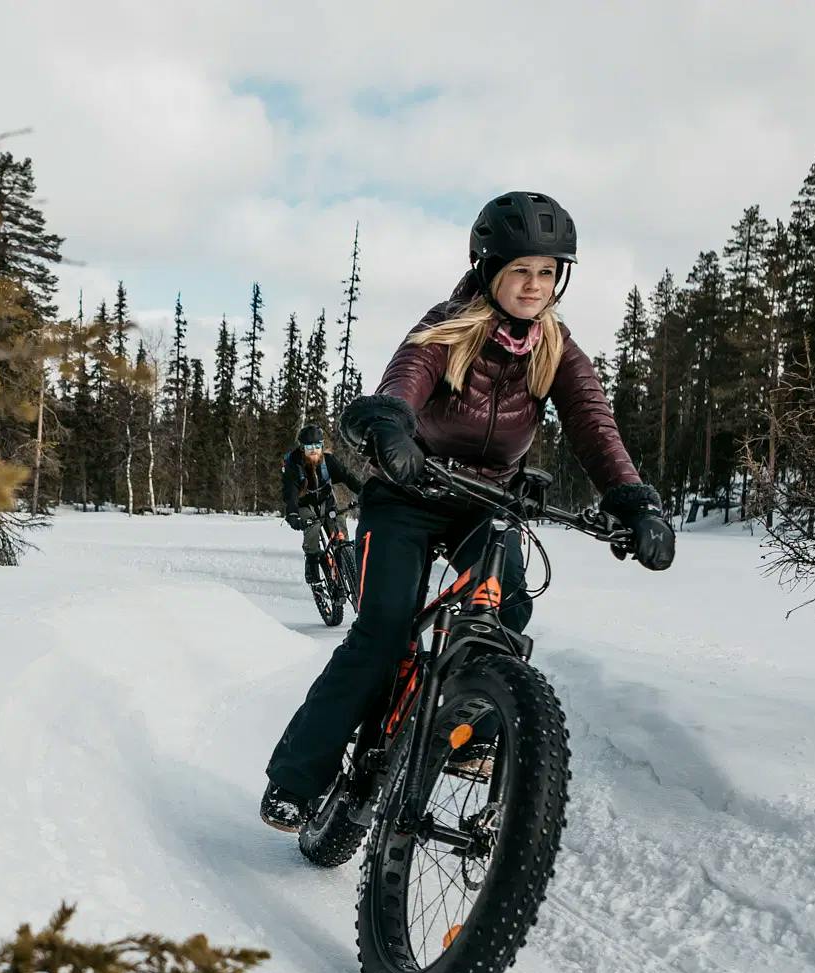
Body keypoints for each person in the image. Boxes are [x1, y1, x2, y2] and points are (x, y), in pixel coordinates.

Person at [260, 191, 675, 831]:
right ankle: (296, 777)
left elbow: (596, 427)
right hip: (408, 497)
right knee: (383, 632)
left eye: (548, 272)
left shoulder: (555, 349)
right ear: (489, 268)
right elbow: (404, 380)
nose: (535, 286)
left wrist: (633, 501)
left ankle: (472, 724)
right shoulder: (446, 328)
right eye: (521, 271)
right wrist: (389, 428)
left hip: (488, 504)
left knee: (505, 608)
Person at [282, 424, 363, 590]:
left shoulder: (329, 462)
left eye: (317, 446)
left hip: (327, 501)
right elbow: (290, 493)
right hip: (305, 506)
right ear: (302, 447)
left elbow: (348, 477)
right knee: (312, 530)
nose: (314, 450)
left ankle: (345, 564)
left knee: (340, 527)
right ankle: (312, 564)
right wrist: (292, 514)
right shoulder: (294, 467)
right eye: (309, 447)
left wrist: (365, 493)